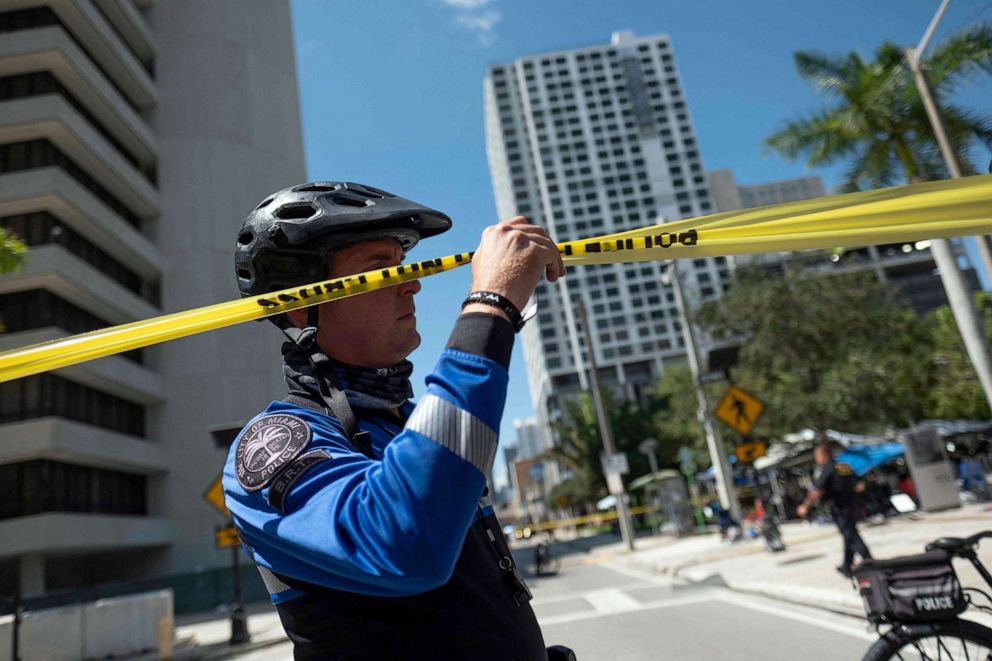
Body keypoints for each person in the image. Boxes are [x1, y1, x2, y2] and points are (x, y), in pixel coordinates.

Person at [223, 182, 570, 659]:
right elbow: (405, 545)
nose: (412, 284)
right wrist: (492, 304)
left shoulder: (409, 426)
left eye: (401, 266)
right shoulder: (277, 441)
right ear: (302, 305)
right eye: (378, 271)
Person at [797, 442, 872, 576]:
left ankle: (869, 561)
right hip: (852, 505)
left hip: (840, 508)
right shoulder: (844, 466)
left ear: (823, 455)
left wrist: (805, 506)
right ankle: (847, 565)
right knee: (848, 534)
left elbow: (817, 489)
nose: (817, 459)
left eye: (817, 456)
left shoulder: (828, 468)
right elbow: (859, 484)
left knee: (851, 535)